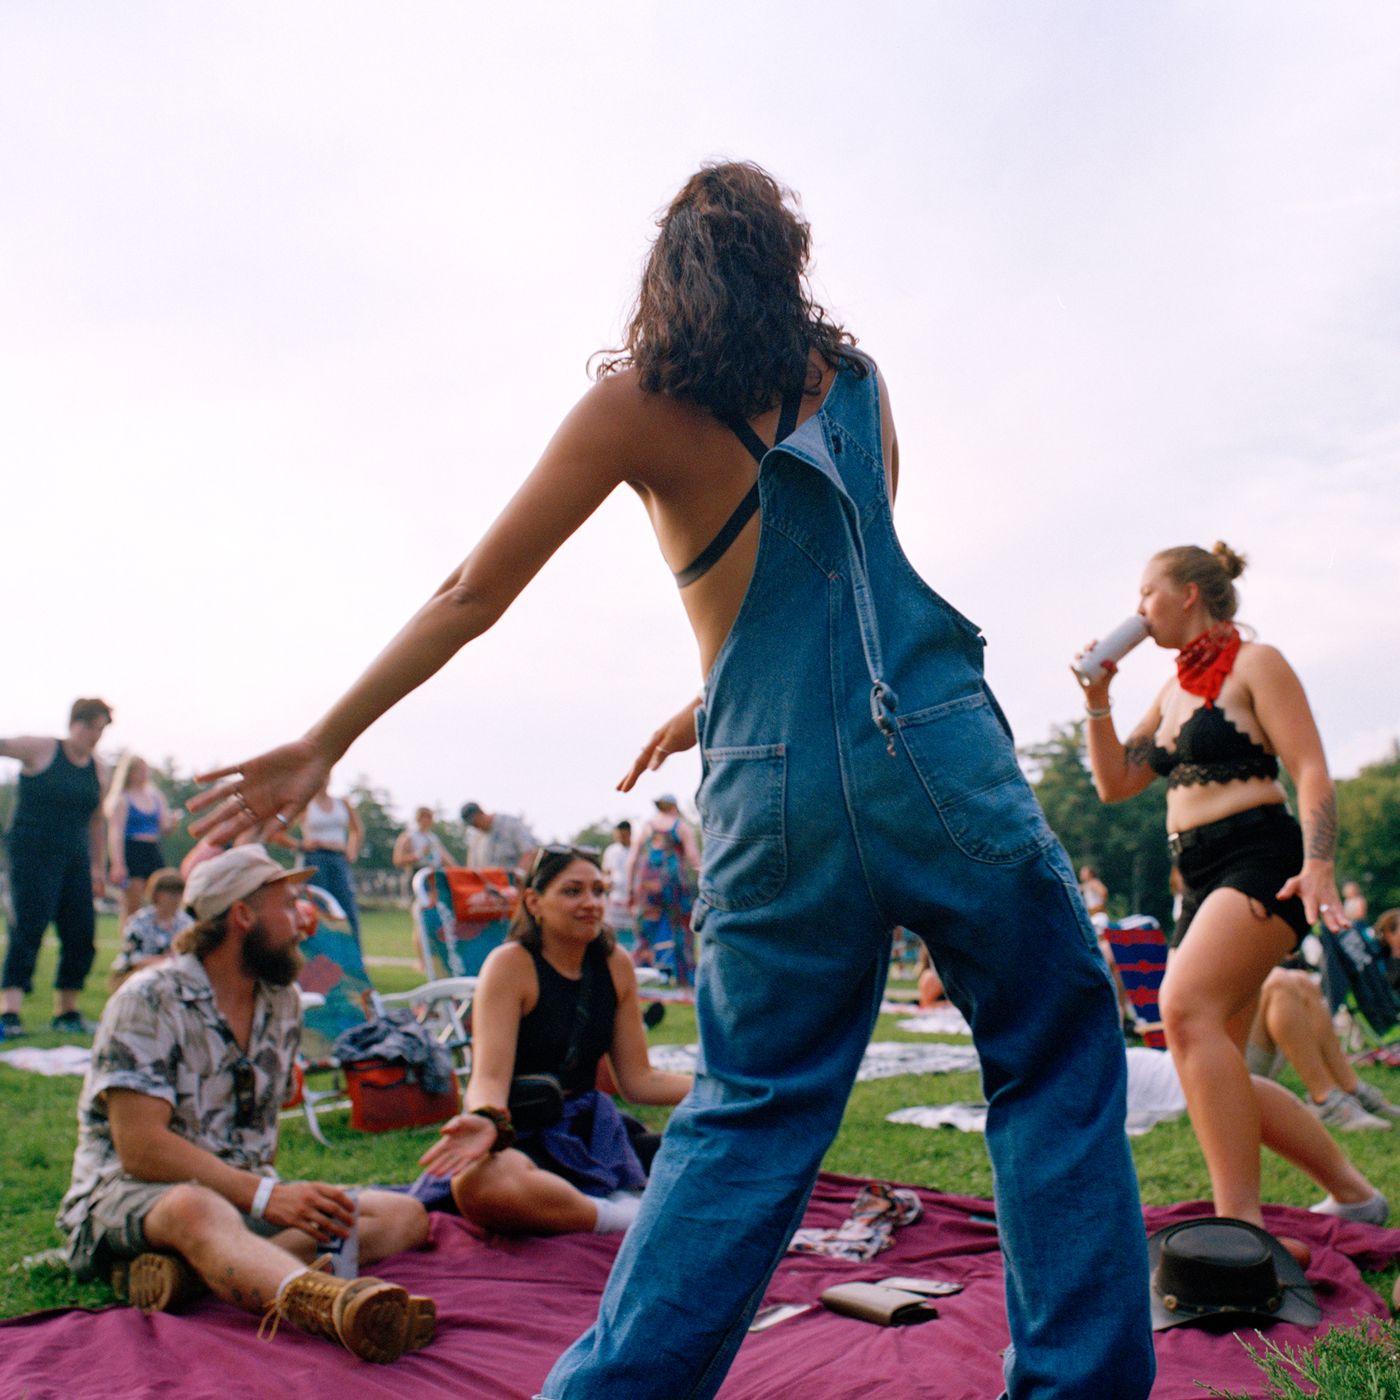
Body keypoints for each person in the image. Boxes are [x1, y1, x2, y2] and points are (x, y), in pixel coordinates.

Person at [189, 162, 1155, 1399]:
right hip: (939, 754)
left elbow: (472, 594)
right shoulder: (853, 382)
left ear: (667, 274)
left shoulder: (632, 404)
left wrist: (328, 737)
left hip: (771, 790)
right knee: (1054, 1053)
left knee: (748, 1111)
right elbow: (854, 603)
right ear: (787, 258)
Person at [1077, 541, 1361, 1247]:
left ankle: (1239, 1225)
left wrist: (1320, 861)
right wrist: (1098, 700)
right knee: (1209, 1060)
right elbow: (1115, 785)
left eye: (1147, 593)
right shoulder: (1170, 692)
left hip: (1262, 859)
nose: (1138, 610)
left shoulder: (1257, 664)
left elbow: (1311, 768)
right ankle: (1353, 1195)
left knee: (1181, 1007)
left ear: (1188, 596)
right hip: (1199, 879)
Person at [56, 844, 435, 1362]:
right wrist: (262, 1196)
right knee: (198, 1207)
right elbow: (140, 1149)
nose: (304, 921)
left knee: (401, 1214)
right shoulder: (147, 999)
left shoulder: (280, 1000)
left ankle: (199, 1275)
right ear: (243, 915)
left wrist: (274, 1193)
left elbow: (262, 1129)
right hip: (128, 1194)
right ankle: (337, 1306)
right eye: (288, 905)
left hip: (240, 1194)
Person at [418, 846, 690, 1235]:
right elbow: (488, 1079)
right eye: (572, 891)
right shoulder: (510, 964)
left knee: (726, 1144)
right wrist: (486, 1121)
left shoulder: (615, 964)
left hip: (594, 1136)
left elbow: (639, 1080)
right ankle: (622, 1217)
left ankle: (599, 1205)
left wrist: (724, 1092)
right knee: (478, 1185)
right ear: (534, 902)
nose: (591, 903)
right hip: (522, 1133)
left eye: (598, 891)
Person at [1, 698, 113, 1036]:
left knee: (81, 932)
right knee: (29, 927)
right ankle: (10, 1012)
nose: (95, 735)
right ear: (75, 723)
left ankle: (67, 1011)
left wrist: (98, 866)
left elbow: (96, 822)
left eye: (101, 729)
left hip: (75, 858)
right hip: (32, 852)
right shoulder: (43, 748)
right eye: (91, 726)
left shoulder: (99, 769)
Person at [1246, 967, 1399, 1129]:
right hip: (1224, 1079)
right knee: (1278, 982)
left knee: (1301, 980)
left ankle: (1350, 1088)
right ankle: (1324, 1100)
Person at [626, 797, 699, 984]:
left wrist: (630, 890)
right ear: (674, 807)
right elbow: (693, 856)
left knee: (646, 929)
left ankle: (642, 973)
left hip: (647, 883)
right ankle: (685, 977)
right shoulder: (680, 826)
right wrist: (704, 882)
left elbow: (633, 858)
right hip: (674, 883)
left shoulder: (647, 827)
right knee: (681, 927)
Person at [288, 776, 364, 947]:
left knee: (347, 908)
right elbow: (276, 832)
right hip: (314, 860)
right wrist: (300, 844)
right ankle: (317, 955)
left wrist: (352, 851)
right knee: (316, 908)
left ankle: (353, 958)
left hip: (338, 859)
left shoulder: (342, 803)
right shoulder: (305, 804)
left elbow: (357, 830)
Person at [106, 754, 183, 922]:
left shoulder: (156, 797)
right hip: (132, 850)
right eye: (139, 770)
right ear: (130, 773)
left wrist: (174, 821)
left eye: (145, 770)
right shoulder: (123, 799)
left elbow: (165, 828)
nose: (143, 774)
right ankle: (131, 944)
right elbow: (116, 832)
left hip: (152, 850)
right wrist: (118, 863)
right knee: (133, 904)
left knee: (162, 897)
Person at [108, 867, 194, 991]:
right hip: (138, 976)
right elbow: (134, 960)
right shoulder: (139, 922)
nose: (176, 898)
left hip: (176, 975)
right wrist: (168, 961)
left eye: (179, 892)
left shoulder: (187, 923)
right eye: (171, 892)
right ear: (156, 894)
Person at [459, 801, 539, 881]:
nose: (475, 827)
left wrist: (519, 877)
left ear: (481, 812)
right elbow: (472, 869)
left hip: (514, 884)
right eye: (472, 825)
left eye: (475, 822)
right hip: (490, 889)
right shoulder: (476, 840)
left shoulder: (510, 824)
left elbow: (529, 852)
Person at [600, 820, 635, 949]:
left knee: (632, 933)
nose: (620, 838)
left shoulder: (637, 849)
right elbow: (606, 872)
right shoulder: (611, 851)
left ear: (629, 833)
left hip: (632, 898)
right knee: (614, 933)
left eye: (623, 835)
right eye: (618, 835)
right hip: (615, 898)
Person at [1078, 864, 1109, 929]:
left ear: (1090, 874)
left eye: (1084, 872)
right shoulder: (1087, 884)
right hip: (1094, 916)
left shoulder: (1094, 882)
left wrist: (1100, 906)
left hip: (1098, 916)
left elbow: (1104, 892)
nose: (1081, 874)